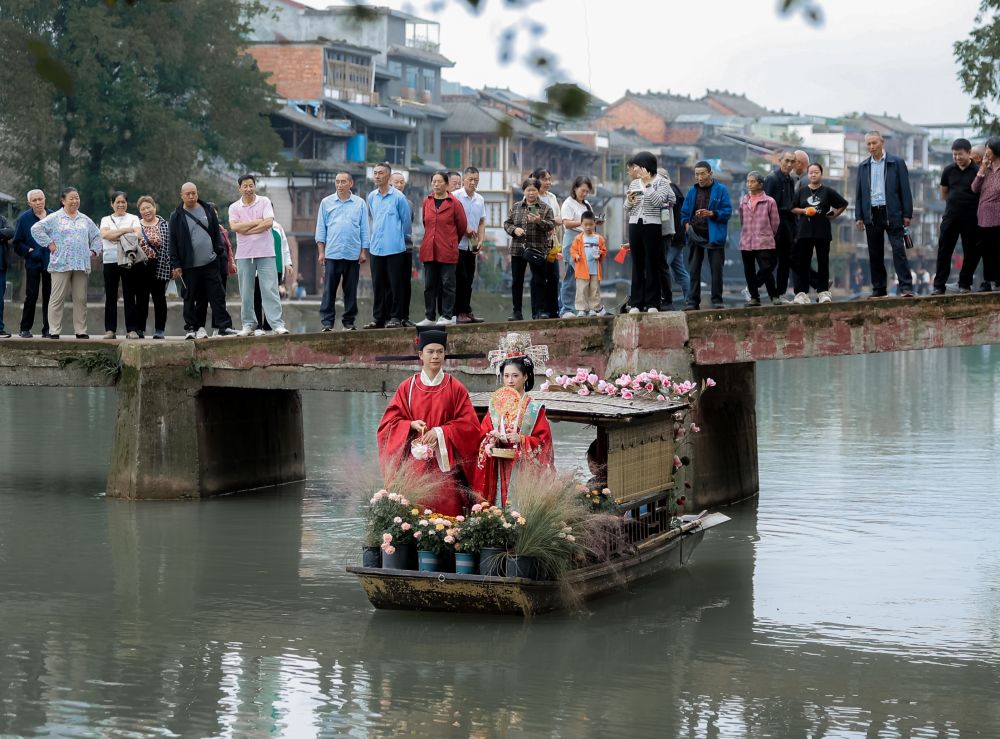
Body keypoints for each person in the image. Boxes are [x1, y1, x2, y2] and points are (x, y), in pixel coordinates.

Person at [376, 327, 481, 516]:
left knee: (448, 508)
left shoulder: (455, 387)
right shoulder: (407, 387)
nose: (435, 356)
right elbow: (387, 425)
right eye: (430, 352)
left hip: (445, 464)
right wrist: (410, 425)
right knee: (414, 508)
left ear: (445, 354)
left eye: (440, 352)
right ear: (420, 355)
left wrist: (441, 432)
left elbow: (471, 426)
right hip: (415, 463)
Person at [472, 333, 553, 507]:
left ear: (525, 377)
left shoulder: (534, 409)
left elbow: (543, 442)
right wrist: (490, 438)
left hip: (523, 469)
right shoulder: (494, 406)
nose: (510, 380)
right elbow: (481, 435)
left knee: (520, 510)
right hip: (498, 465)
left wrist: (522, 440)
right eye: (506, 376)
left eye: (515, 376)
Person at [30, 187, 103, 339]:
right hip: (61, 262)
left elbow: (97, 235)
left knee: (80, 298)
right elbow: (36, 229)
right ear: (63, 201)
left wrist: (94, 251)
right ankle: (54, 330)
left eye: (77, 198)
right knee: (57, 298)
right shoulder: (55, 217)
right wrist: (49, 243)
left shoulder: (84, 219)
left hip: (81, 263)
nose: (75, 201)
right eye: (71, 198)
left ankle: (81, 330)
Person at [168, 182, 236, 340]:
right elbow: (172, 241)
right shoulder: (176, 216)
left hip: (211, 262)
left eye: (194, 193)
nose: (191, 196)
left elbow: (215, 231)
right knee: (191, 297)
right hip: (189, 265)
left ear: (197, 193)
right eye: (188, 194)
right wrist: (176, 264)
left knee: (217, 294)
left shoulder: (208, 209)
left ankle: (224, 326)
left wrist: (218, 251)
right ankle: (193, 327)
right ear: (182, 195)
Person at [855, 130, 914, 298]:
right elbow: (859, 193)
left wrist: (907, 213)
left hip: (893, 212)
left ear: (882, 142)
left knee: (898, 250)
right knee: (875, 253)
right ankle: (879, 289)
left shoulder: (896, 163)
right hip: (871, 213)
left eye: (874, 143)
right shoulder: (863, 166)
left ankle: (906, 288)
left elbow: (905, 190)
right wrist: (858, 216)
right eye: (869, 144)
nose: (872, 146)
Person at [228, 174, 288, 336]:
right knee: (246, 291)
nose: (248, 189)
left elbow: (268, 222)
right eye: (245, 186)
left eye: (251, 185)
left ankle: (276, 324)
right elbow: (234, 227)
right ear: (239, 188)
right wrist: (256, 222)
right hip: (244, 254)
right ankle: (248, 324)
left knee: (270, 289)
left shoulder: (264, 201)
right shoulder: (234, 207)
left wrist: (246, 229)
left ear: (255, 186)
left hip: (266, 253)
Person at [316, 172, 369, 332]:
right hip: (332, 253)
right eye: (337, 182)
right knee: (329, 290)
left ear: (350, 183)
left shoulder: (360, 203)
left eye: (343, 182)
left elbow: (365, 230)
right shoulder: (326, 203)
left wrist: (364, 252)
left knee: (350, 290)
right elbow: (321, 229)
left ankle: (349, 322)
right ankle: (327, 322)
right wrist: (321, 252)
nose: (340, 185)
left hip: (353, 254)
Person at [790, 163, 848, 304]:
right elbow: (792, 208)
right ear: (808, 175)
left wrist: (833, 215)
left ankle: (823, 292)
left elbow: (843, 204)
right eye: (810, 172)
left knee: (823, 262)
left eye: (816, 172)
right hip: (804, 232)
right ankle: (801, 293)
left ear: (821, 174)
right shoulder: (801, 191)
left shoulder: (827, 191)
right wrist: (804, 211)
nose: (813, 175)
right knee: (803, 263)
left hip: (822, 232)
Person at [624, 151, 674, 313]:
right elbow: (627, 208)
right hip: (635, 224)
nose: (635, 169)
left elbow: (659, 202)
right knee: (637, 264)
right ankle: (637, 303)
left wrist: (647, 184)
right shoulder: (633, 183)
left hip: (652, 225)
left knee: (652, 264)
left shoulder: (662, 182)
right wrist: (629, 201)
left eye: (638, 166)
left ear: (646, 166)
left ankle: (653, 303)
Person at [681, 161, 733, 310]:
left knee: (716, 270)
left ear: (710, 174)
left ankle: (717, 300)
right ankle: (692, 302)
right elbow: (684, 214)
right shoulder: (692, 191)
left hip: (714, 236)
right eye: (697, 174)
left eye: (702, 173)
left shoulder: (721, 190)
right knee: (694, 269)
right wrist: (687, 226)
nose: (699, 177)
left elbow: (727, 212)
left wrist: (712, 213)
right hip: (695, 235)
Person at [418, 170, 467, 326]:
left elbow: (461, 226)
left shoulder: (454, 204)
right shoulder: (427, 201)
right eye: (434, 182)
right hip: (429, 248)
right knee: (429, 284)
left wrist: (450, 241)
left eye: (439, 182)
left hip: (447, 249)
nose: (436, 184)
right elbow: (426, 223)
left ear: (446, 184)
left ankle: (447, 315)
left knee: (447, 284)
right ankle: (429, 316)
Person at [934, 138, 982, 294]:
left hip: (971, 218)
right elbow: (944, 192)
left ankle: (964, 284)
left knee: (971, 251)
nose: (957, 158)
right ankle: (939, 285)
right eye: (954, 155)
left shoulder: (977, 171)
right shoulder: (948, 170)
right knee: (944, 250)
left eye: (960, 154)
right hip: (951, 217)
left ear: (969, 153)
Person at [504, 177, 556, 319]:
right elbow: (507, 223)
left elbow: (551, 225)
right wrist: (515, 230)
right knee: (517, 281)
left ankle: (539, 311)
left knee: (539, 280)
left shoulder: (545, 208)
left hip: (538, 249)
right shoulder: (515, 207)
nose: (531, 193)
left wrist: (539, 221)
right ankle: (517, 311)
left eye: (534, 190)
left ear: (538, 191)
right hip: (518, 249)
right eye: (528, 190)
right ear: (524, 191)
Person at [99, 191, 142, 339]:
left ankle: (131, 330)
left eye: (123, 202)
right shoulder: (105, 219)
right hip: (109, 260)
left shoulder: (134, 218)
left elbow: (137, 235)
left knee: (130, 295)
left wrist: (115, 234)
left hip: (128, 260)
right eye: (117, 202)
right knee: (111, 296)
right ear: (112, 204)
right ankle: (110, 330)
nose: (121, 204)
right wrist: (125, 231)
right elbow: (105, 235)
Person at [12, 189, 54, 338]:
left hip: (52, 262)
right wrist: (29, 251)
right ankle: (25, 328)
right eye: (35, 200)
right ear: (29, 203)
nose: (38, 202)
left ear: (45, 199)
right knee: (32, 295)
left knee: (50, 296)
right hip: (33, 262)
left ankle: (48, 329)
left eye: (40, 199)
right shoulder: (23, 219)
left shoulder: (54, 216)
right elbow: (17, 243)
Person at [737, 171, 780, 307]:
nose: (749, 184)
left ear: (761, 184)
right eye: (748, 181)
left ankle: (774, 295)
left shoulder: (769, 201)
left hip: (763, 241)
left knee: (766, 269)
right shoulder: (744, 201)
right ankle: (754, 298)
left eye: (752, 181)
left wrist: (766, 234)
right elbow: (742, 220)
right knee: (748, 270)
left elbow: (775, 223)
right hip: (746, 241)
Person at [452, 166, 487, 324]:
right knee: (460, 278)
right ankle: (458, 312)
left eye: (476, 180)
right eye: (470, 179)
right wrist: (464, 228)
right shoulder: (454, 197)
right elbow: (450, 220)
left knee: (469, 278)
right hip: (456, 244)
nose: (473, 183)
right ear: (463, 180)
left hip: (471, 245)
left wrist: (480, 240)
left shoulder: (480, 199)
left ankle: (466, 310)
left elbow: (481, 221)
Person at [135, 196, 171, 339]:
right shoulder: (136, 225)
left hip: (159, 264)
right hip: (140, 265)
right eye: (143, 209)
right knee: (141, 298)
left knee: (159, 298)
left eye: (148, 207)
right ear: (139, 211)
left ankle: (159, 329)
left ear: (154, 207)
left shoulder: (164, 225)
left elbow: (170, 247)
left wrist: (173, 266)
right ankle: (140, 329)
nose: (146, 211)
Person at [530, 169, 565, 316]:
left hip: (552, 243)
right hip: (537, 243)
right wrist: (550, 222)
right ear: (537, 180)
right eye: (545, 179)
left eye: (549, 179)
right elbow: (533, 219)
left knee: (554, 276)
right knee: (538, 278)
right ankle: (539, 310)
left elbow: (559, 219)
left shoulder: (552, 197)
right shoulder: (532, 197)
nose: (548, 182)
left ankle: (553, 309)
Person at [763, 151, 797, 301]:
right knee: (771, 260)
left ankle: (781, 293)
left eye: (792, 162)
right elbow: (765, 206)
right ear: (780, 160)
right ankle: (753, 287)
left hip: (788, 223)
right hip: (775, 224)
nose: (789, 164)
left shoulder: (791, 180)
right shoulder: (772, 179)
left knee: (786, 260)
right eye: (786, 161)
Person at [559, 175, 593, 316]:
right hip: (572, 240)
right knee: (579, 274)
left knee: (575, 275)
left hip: (586, 240)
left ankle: (582, 308)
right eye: (582, 190)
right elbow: (566, 222)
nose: (584, 193)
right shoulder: (568, 203)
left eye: (587, 191)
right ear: (575, 188)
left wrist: (593, 222)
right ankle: (568, 308)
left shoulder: (587, 205)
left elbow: (588, 223)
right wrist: (583, 222)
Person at [253, 221, 293, 331]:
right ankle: (258, 326)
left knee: (272, 297)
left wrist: (288, 263)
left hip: (277, 267)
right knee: (258, 297)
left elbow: (284, 247)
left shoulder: (278, 227)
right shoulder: (257, 225)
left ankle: (268, 325)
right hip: (260, 268)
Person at [971, 136, 1000, 291]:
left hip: (998, 216)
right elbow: (974, 188)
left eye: (989, 148)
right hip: (983, 216)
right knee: (986, 252)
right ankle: (987, 281)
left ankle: (997, 280)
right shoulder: (985, 168)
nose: (986, 151)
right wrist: (982, 170)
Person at [570, 211, 607, 315]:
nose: (588, 227)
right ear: (581, 224)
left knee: (594, 289)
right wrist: (576, 256)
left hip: (595, 269)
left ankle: (593, 309)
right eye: (585, 225)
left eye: (590, 224)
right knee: (582, 289)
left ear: (594, 223)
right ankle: (581, 309)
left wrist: (601, 253)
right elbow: (573, 250)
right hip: (582, 269)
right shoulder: (578, 238)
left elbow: (604, 250)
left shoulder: (599, 238)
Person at [390, 171, 416, 322]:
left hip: (406, 247)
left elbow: (408, 224)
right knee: (392, 283)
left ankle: (404, 316)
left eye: (401, 183)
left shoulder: (409, 204)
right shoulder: (385, 201)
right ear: (390, 183)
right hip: (390, 248)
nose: (399, 185)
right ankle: (392, 316)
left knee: (405, 283)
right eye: (396, 182)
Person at [662, 178, 689, 308]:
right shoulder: (678, 193)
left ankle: (665, 300)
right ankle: (690, 300)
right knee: (680, 271)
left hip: (672, 238)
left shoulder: (668, 193)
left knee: (663, 267)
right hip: (679, 237)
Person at [0, 213, 12, 338]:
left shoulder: (2, 219)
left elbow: (10, 232)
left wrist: (4, 235)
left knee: (0, 299)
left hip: (1, 266)